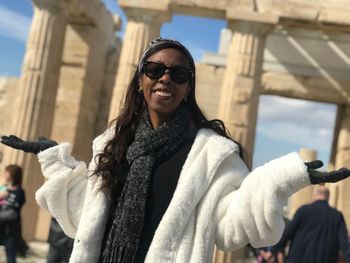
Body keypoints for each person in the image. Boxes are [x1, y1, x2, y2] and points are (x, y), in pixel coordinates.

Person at [1, 38, 350, 263]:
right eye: (154, 69)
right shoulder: (113, 143)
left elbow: (229, 229)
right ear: (140, 81)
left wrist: (279, 181)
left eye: (178, 73)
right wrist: (58, 163)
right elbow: (86, 220)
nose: (165, 78)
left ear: (188, 87)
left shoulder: (213, 155)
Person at [274, 185, 350, 263]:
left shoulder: (303, 211)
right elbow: (345, 246)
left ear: (314, 195)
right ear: (328, 197)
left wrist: (279, 254)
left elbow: (284, 236)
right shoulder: (337, 216)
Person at [0, 164, 26, 263]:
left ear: (12, 175)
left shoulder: (19, 192)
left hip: (10, 231)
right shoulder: (3, 188)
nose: (3, 174)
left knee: (11, 257)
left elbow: (12, 214)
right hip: (1, 228)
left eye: (6, 172)